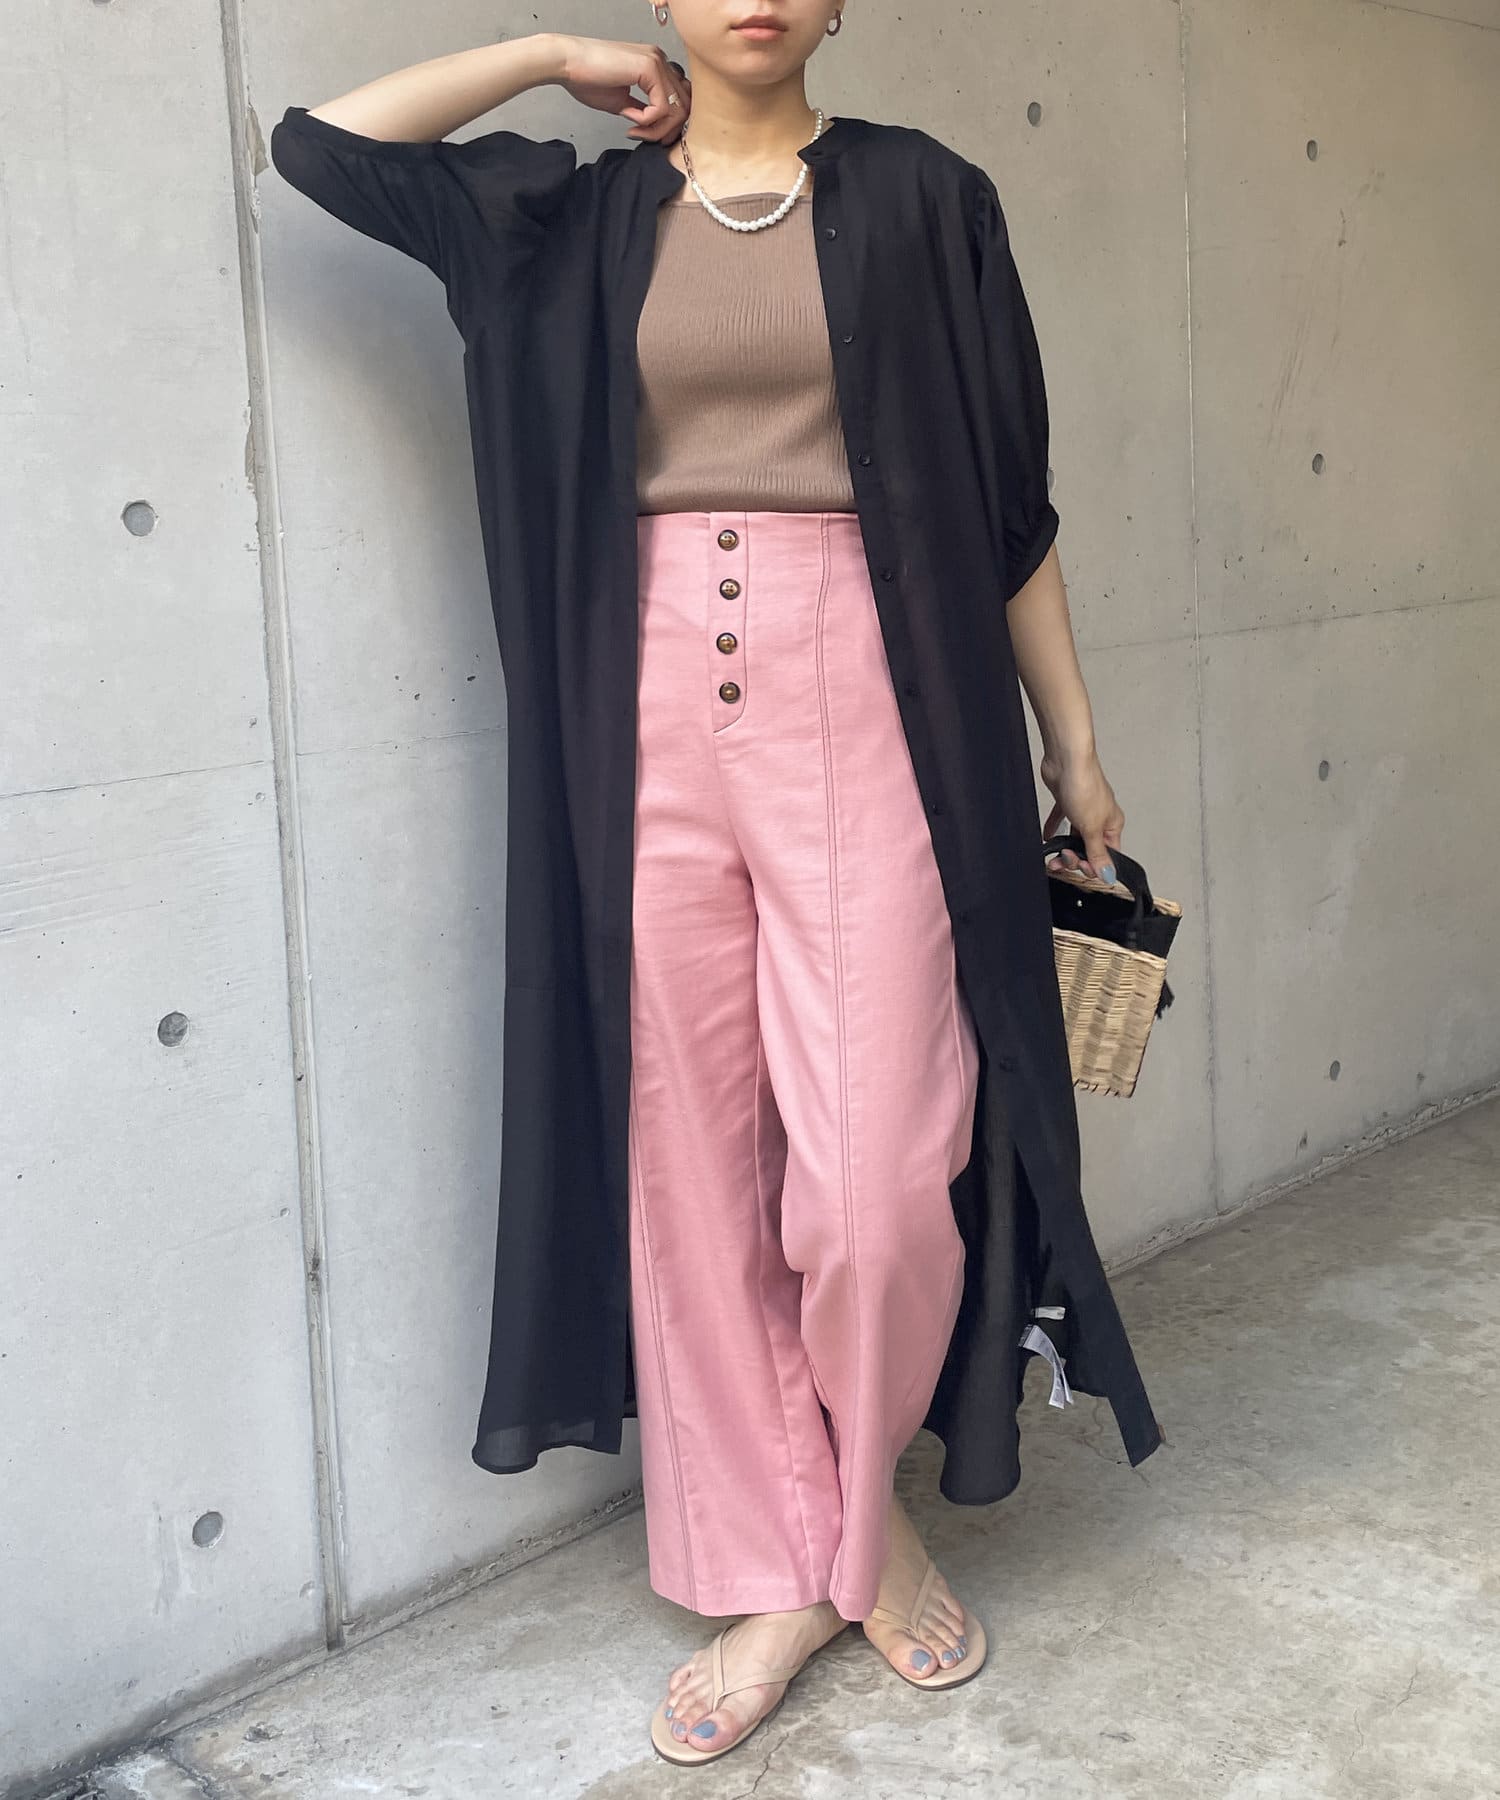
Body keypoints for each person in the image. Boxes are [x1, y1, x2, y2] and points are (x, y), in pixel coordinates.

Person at [270, 0, 1162, 1771]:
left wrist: (1073, 741)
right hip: (648, 714)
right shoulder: (575, 213)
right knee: (696, 1165)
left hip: (881, 698)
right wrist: (545, 53)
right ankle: (797, 1566)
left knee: (878, 1182)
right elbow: (324, 148)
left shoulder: (926, 198)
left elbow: (1012, 508)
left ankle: (850, 1509)